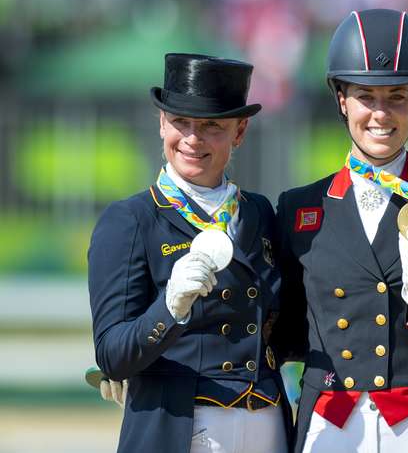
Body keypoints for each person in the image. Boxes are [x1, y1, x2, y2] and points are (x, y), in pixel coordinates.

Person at [274, 9, 408, 453]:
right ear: (342, 101)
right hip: (330, 423)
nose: (380, 114)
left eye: (396, 96)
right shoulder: (300, 207)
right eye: (365, 96)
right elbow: (282, 333)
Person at [88, 53, 290, 453]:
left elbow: (284, 328)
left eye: (212, 126)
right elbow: (112, 353)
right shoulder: (131, 219)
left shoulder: (259, 213)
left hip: (265, 423)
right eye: (181, 122)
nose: (193, 138)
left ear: (240, 131)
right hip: (183, 426)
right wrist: (170, 308)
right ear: (162, 123)